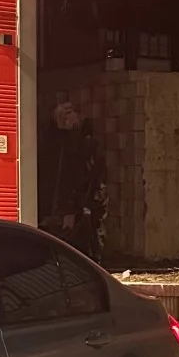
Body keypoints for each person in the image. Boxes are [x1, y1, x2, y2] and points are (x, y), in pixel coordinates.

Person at [38, 101, 106, 262]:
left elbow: (85, 174)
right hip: (62, 202)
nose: (69, 118)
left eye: (70, 113)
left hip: (74, 201)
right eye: (64, 115)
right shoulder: (54, 143)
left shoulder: (83, 143)